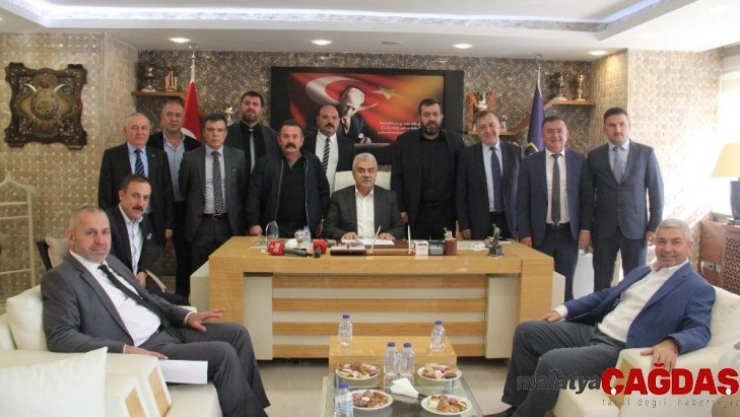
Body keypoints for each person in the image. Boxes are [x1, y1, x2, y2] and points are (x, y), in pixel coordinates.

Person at [41, 206, 270, 417]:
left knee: (237, 334)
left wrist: (186, 316)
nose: (100, 240)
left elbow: (148, 297)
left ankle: (255, 411)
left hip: (167, 329)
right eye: (90, 233)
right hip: (146, 349)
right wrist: (125, 350)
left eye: (105, 232)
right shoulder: (60, 279)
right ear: (71, 236)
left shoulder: (110, 261)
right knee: (223, 353)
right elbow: (60, 336)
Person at [488, 218, 714, 417]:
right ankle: (515, 407)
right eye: (662, 241)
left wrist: (672, 343)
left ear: (689, 245)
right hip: (595, 330)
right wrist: (564, 309)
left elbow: (699, 329)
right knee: (527, 331)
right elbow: (605, 295)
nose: (667, 248)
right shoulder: (643, 272)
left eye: (675, 242)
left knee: (552, 361)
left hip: (618, 349)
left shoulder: (697, 287)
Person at [581, 107, 664, 291]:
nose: (617, 129)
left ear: (629, 126)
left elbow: (656, 193)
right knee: (601, 282)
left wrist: (653, 226)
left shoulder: (646, 154)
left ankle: (629, 311)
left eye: (622, 124)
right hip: (603, 230)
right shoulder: (594, 156)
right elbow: (587, 197)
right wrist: (586, 228)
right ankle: (602, 311)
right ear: (604, 129)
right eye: (612, 125)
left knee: (635, 283)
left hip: (636, 230)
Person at [516, 116, 585, 300]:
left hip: (568, 234)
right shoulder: (529, 163)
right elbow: (522, 202)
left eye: (559, 131)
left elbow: (586, 199)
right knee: (538, 284)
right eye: (550, 131)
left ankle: (565, 317)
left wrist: (585, 229)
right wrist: (524, 233)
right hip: (540, 234)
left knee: (566, 285)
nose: (555, 136)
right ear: (542, 135)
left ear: (567, 134)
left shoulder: (579, 160)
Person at [179, 113, 248, 276]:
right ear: (204, 132)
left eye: (219, 130)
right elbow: (184, 188)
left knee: (230, 271)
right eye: (210, 130)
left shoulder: (238, 157)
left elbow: (243, 189)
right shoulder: (190, 158)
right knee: (200, 272)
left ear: (225, 133)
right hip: (202, 224)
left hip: (229, 224)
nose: (215, 134)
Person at [98, 113, 175, 256]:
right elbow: (105, 195)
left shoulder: (159, 156)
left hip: (153, 222)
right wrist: (107, 225)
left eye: (144, 128)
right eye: (134, 128)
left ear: (149, 131)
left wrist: (168, 225)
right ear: (125, 130)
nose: (140, 132)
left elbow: (167, 192)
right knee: (126, 263)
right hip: (122, 223)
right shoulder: (112, 156)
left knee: (152, 264)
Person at [105, 174, 188, 305]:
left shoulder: (144, 222)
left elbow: (138, 258)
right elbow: (107, 266)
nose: (141, 204)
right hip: (117, 292)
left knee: (181, 302)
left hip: (138, 288)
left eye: (146, 198)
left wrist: (141, 272)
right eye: (135, 196)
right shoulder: (106, 223)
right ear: (121, 195)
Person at [147, 99, 201, 298]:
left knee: (185, 256)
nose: (173, 119)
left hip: (186, 208)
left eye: (178, 115)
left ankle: (182, 298)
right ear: (161, 118)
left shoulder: (194, 145)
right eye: (169, 115)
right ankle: (151, 297)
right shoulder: (150, 143)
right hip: (157, 208)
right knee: (152, 254)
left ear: (183, 119)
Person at [392, 98, 464, 239]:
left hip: (445, 213)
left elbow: (462, 177)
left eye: (435, 114)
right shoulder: (404, 142)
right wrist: (400, 208)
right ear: (419, 118)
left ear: (441, 116)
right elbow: (397, 177)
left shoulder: (455, 141)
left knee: (445, 252)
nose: (431, 119)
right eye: (426, 114)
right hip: (415, 212)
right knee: (415, 251)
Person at [247, 120, 330, 238]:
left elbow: (324, 193)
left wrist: (323, 219)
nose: (290, 141)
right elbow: (253, 195)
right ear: (279, 140)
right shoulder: (265, 163)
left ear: (302, 141)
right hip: (274, 229)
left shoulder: (313, 162)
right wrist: (253, 222)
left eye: (295, 137)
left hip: (306, 229)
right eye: (286, 136)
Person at [456, 110, 520, 240]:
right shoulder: (467, 155)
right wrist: (464, 224)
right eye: (482, 127)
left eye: (491, 125)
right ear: (477, 131)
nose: (488, 130)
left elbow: (524, 190)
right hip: (479, 223)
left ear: (499, 126)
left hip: (511, 221)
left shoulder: (516, 152)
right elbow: (461, 193)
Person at [324, 153, 404, 241]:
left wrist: (389, 234)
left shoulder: (390, 197)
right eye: (361, 171)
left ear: (376, 173)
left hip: (380, 247)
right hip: (351, 246)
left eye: (371, 170)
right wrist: (344, 234)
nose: (366, 175)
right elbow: (328, 227)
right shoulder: (339, 197)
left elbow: (400, 228)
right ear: (353, 174)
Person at [302, 105, 355, 193]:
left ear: (339, 121)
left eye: (334, 118)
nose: (330, 121)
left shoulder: (348, 146)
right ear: (318, 120)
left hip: (337, 198)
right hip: (310, 196)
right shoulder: (305, 143)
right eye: (325, 117)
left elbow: (352, 173)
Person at [224, 90, 279, 174]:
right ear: (240, 107)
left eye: (255, 104)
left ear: (261, 109)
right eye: (247, 103)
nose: (251, 107)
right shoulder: (226, 134)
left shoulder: (273, 137)